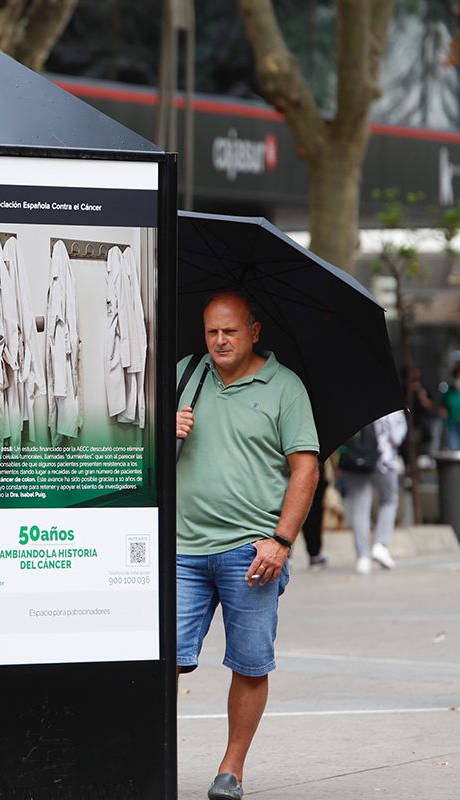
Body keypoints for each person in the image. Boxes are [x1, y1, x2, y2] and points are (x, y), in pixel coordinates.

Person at [175, 291, 320, 800]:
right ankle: (148, 752)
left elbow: (306, 466)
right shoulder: (184, 376)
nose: (219, 341)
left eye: (230, 331)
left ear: (254, 332)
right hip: (182, 548)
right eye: (212, 331)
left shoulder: (285, 388)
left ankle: (230, 770)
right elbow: (129, 442)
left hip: (253, 553)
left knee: (249, 662)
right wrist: (161, 433)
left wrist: (281, 542)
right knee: (160, 658)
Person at [340, 411, 407, 575]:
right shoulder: (390, 406)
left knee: (360, 508)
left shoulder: (352, 403)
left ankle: (363, 556)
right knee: (389, 500)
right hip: (385, 461)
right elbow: (396, 437)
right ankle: (380, 544)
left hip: (357, 460)